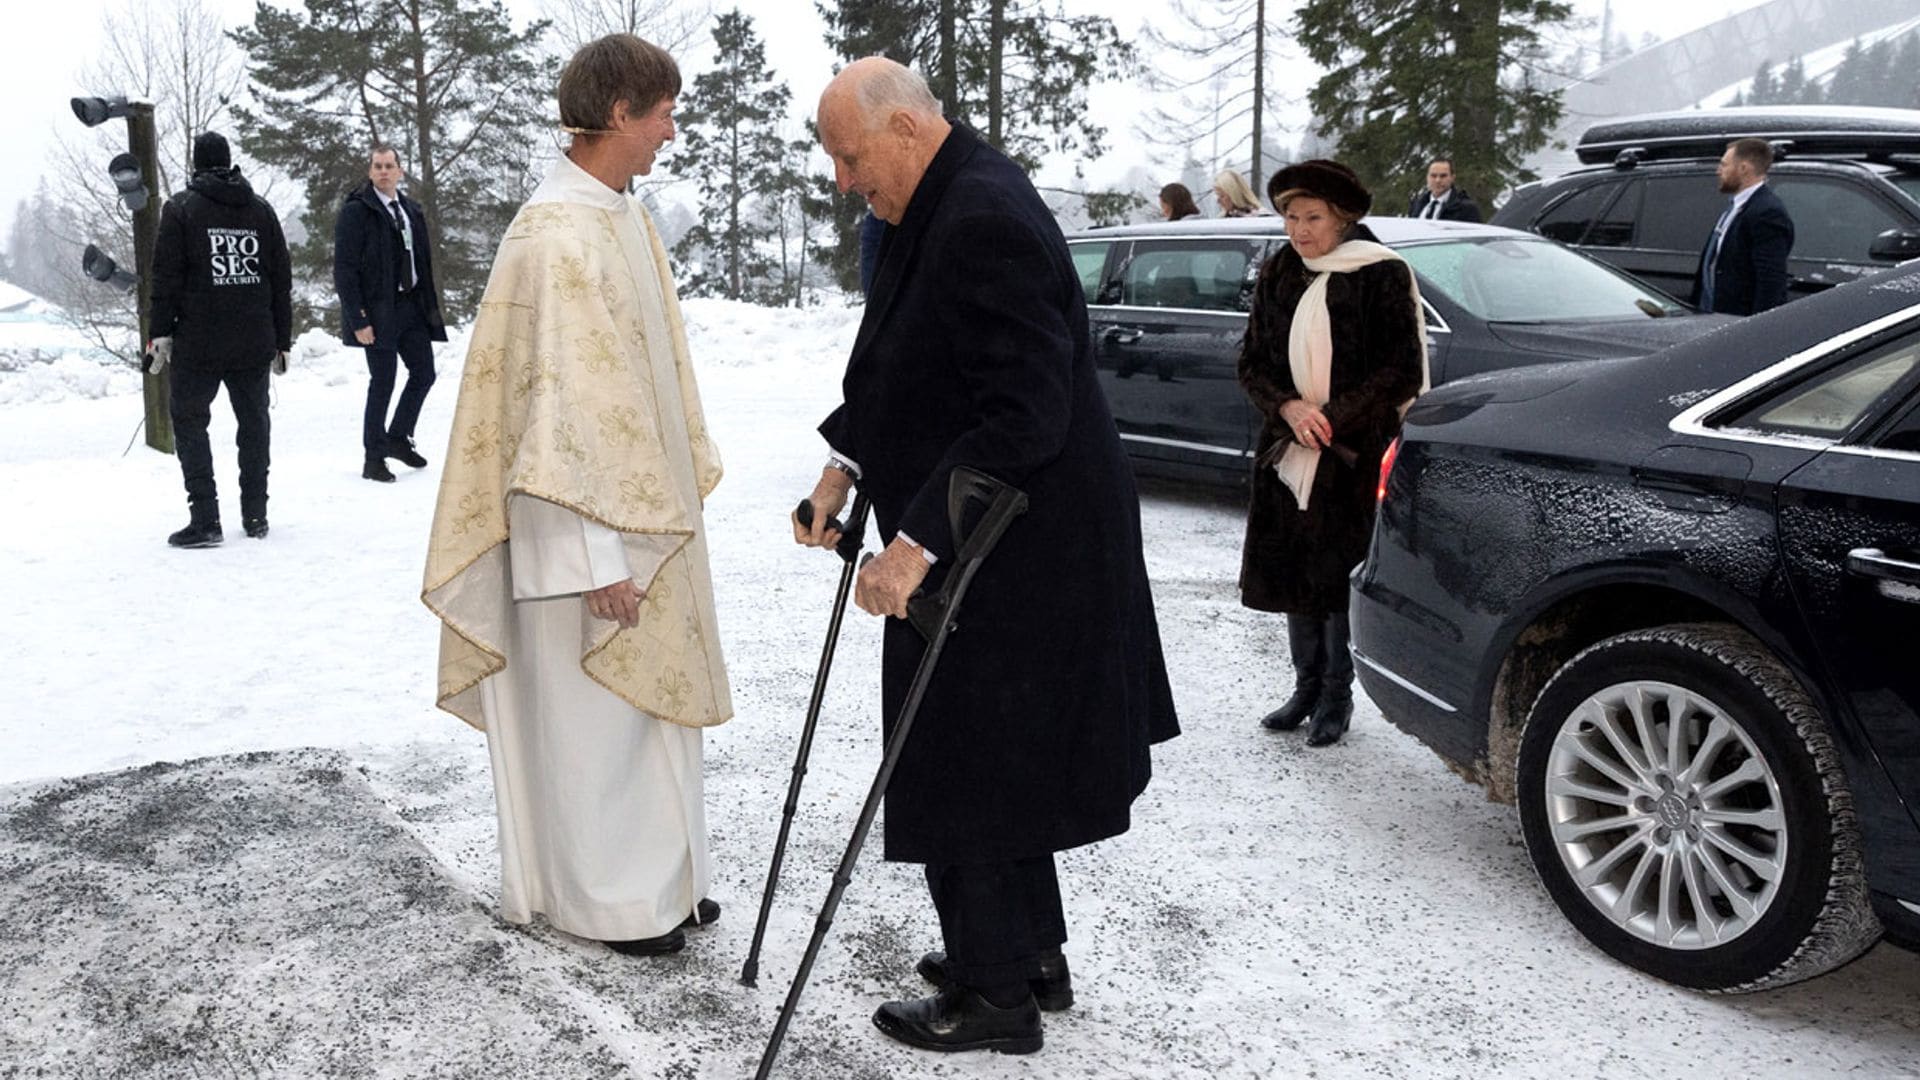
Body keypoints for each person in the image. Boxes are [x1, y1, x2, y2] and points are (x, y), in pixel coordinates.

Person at [798, 57, 1179, 1057]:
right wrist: (842, 468)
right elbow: (907, 361)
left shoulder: (980, 222)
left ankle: (992, 995)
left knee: (962, 756)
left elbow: (1022, 414)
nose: (846, 182)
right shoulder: (939, 199)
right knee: (1003, 757)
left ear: (907, 131)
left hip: (1014, 544)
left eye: (849, 157)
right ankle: (1025, 952)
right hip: (1003, 531)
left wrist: (914, 547)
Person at [421, 33, 731, 959]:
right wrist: (593, 558)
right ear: (619, 114)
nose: (672, 132)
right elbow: (553, 425)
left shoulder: (617, 216)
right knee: (595, 721)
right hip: (585, 544)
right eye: (664, 113)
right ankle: (608, 901)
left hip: (639, 520)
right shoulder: (556, 238)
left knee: (646, 718)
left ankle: (666, 884)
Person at [1239, 160, 1427, 747]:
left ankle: (1336, 697)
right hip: (1289, 446)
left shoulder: (1379, 274)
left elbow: (1400, 369)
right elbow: (1251, 361)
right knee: (1297, 573)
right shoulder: (1279, 271)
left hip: (1350, 450)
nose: (1299, 230)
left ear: (1342, 219)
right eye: (1291, 217)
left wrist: (1332, 416)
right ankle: (1304, 686)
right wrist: (1289, 408)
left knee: (1335, 575)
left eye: (1312, 217)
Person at [147, 131, 292, 548]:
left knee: (191, 423)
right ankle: (256, 515)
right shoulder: (261, 211)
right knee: (254, 423)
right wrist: (283, 340)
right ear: (230, 163)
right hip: (253, 339)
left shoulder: (181, 209)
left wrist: (159, 333)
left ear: (196, 163)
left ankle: (206, 519)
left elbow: (165, 279)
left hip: (199, 341)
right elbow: (281, 281)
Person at [333, 143, 448, 482]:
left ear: (399, 170)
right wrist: (359, 319)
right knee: (382, 382)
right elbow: (344, 269)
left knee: (424, 373)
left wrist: (428, 307)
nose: (383, 171)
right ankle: (373, 459)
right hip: (377, 312)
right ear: (370, 172)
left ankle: (398, 437)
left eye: (389, 165)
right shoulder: (357, 211)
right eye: (377, 166)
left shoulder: (411, 210)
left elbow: (423, 261)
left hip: (410, 307)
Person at [1694, 137, 1795, 316]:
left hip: (1738, 322)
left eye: (1724, 165)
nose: (1718, 171)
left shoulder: (1766, 212)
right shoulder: (1735, 207)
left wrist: (1756, 330)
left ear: (1743, 168)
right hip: (1711, 318)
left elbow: (1770, 282)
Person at [1405, 157, 1482, 222]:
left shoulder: (1467, 209)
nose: (1437, 180)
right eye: (1433, 176)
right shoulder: (1416, 205)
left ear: (1452, 178)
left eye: (1443, 176)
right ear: (1427, 177)